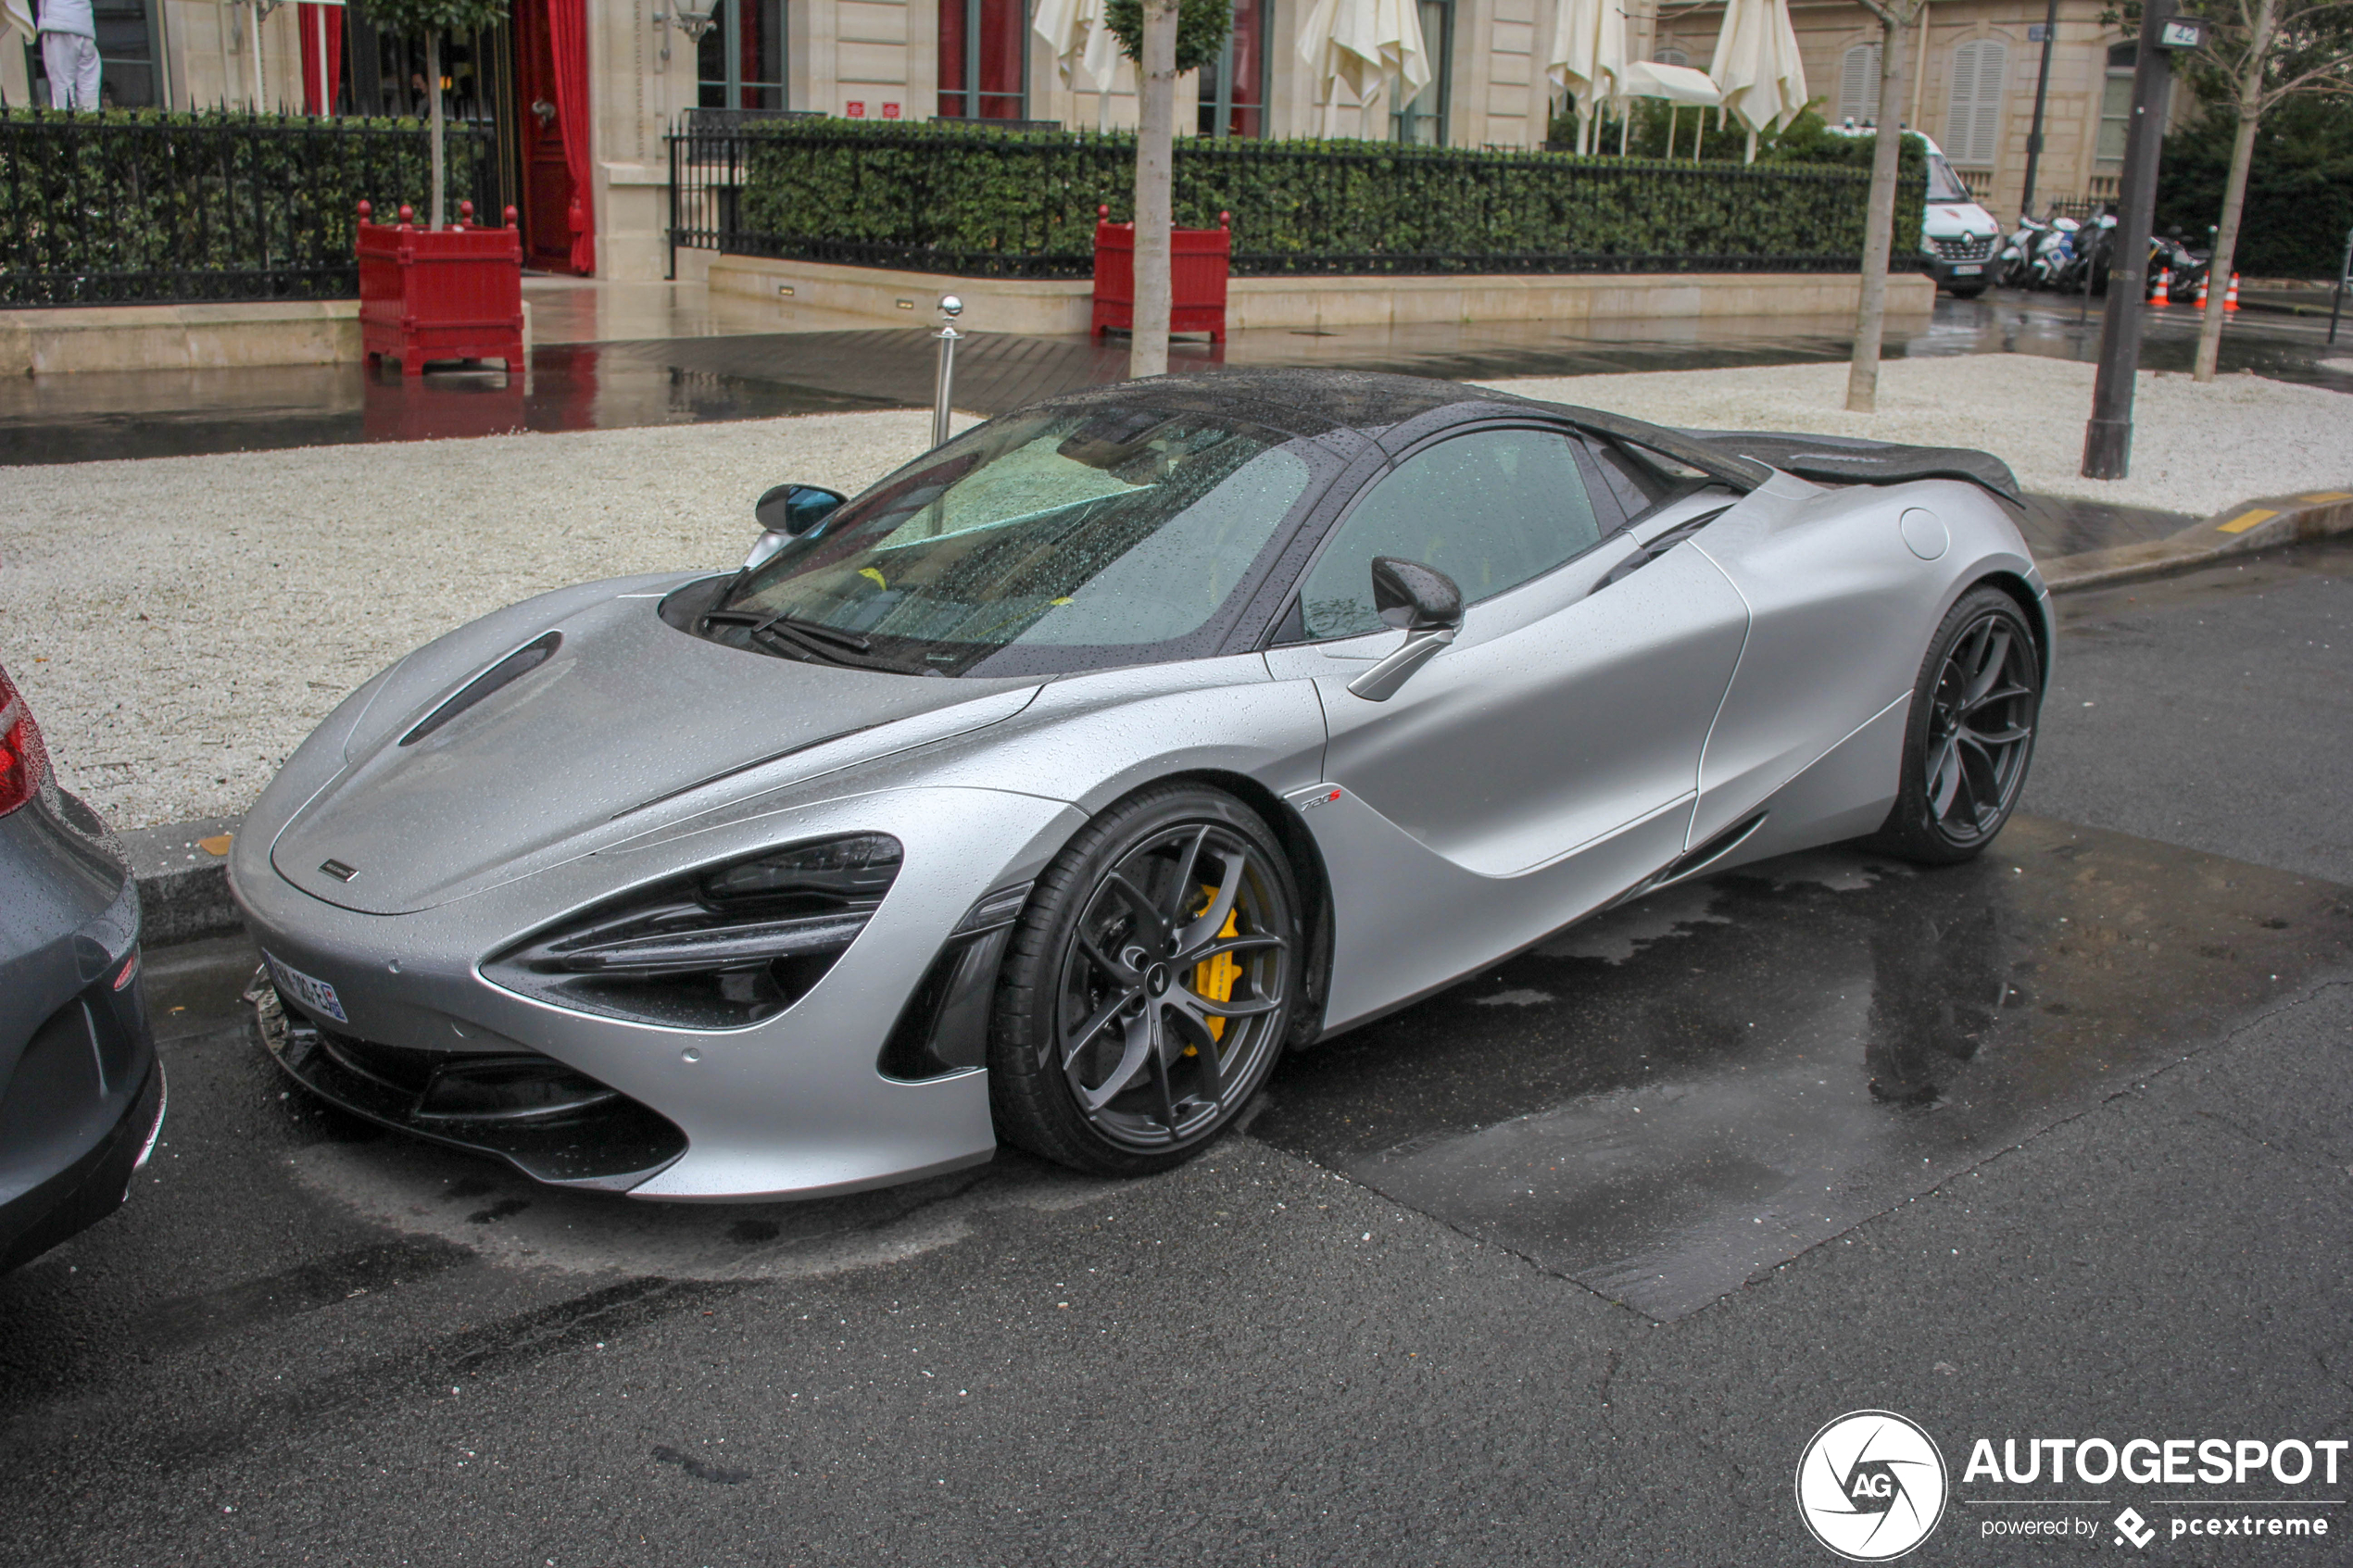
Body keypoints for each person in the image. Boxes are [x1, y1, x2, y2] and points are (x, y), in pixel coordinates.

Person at [36, 0, 100, 109]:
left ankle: (65, 122)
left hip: (58, 22)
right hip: (85, 23)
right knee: (88, 85)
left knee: (62, 85)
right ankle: (89, 122)